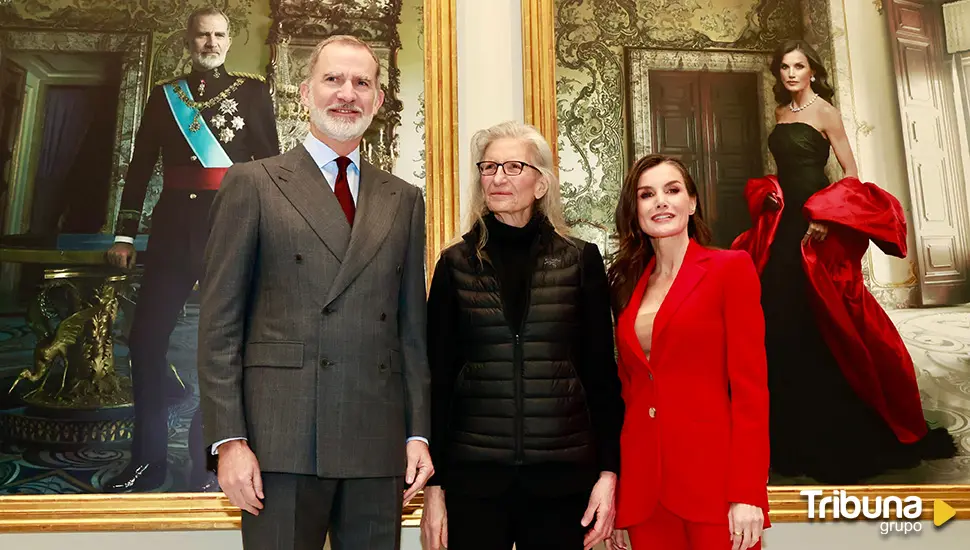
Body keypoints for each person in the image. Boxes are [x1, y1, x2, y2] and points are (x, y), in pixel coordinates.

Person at [196, 34, 433, 549]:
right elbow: (219, 326)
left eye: (361, 82)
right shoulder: (253, 183)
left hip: (376, 440)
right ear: (305, 93)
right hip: (280, 440)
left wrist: (417, 434)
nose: (347, 93)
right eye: (333, 79)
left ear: (376, 100)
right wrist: (230, 441)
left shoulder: (404, 198)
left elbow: (411, 331)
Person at [731, 39, 957, 485]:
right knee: (779, 318)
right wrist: (773, 191)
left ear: (812, 71)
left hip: (817, 221)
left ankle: (836, 428)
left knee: (826, 318)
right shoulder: (780, 115)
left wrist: (829, 217)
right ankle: (787, 434)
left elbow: (850, 172)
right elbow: (787, 169)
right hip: (784, 222)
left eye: (798, 66)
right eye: (784, 67)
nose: (790, 73)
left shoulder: (825, 112)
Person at [419, 121, 625, 550]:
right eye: (489, 167)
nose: (497, 177)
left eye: (514, 167)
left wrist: (609, 473)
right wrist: (435, 488)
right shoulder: (454, 264)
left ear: (540, 183)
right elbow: (436, 380)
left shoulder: (580, 260)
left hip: (562, 479)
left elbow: (601, 375)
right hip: (474, 479)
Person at [103, 6, 280, 493]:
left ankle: (208, 460)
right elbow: (139, 168)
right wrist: (124, 234)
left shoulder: (253, 93)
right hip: (172, 231)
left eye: (219, 35)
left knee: (222, 347)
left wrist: (274, 233)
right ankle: (147, 461)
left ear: (229, 41)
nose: (211, 43)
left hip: (232, 229)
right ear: (188, 40)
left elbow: (270, 168)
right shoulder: (165, 97)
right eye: (202, 35)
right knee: (145, 341)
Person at [606, 154, 770, 550]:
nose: (660, 201)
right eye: (647, 195)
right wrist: (621, 499)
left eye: (672, 190)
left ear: (692, 202)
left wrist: (748, 492)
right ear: (636, 211)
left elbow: (751, 391)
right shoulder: (626, 285)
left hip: (714, 489)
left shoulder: (730, 269)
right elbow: (628, 392)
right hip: (645, 494)